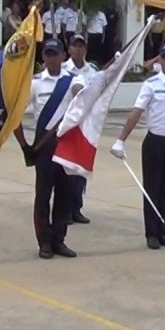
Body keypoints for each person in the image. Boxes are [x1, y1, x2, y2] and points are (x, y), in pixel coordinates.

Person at [112, 41, 165, 250]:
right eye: (163, 57)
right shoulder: (151, 84)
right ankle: (151, 233)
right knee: (152, 189)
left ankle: (163, 230)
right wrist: (121, 140)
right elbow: (136, 113)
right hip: (155, 142)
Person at [15, 38, 84, 259]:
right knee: (43, 195)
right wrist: (24, 145)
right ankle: (44, 241)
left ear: (64, 56)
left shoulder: (73, 79)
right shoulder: (36, 84)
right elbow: (15, 115)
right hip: (44, 145)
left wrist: (78, 91)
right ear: (43, 57)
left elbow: (80, 92)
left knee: (65, 193)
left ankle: (59, 239)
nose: (52, 58)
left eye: (56, 54)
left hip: (66, 143)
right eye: (48, 54)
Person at [61, 34, 99, 225]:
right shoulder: (63, 69)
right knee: (66, 169)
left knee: (80, 170)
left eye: (81, 46)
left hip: (85, 125)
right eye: (74, 46)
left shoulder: (92, 71)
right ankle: (64, 209)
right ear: (69, 49)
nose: (78, 49)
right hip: (68, 124)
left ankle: (76, 208)